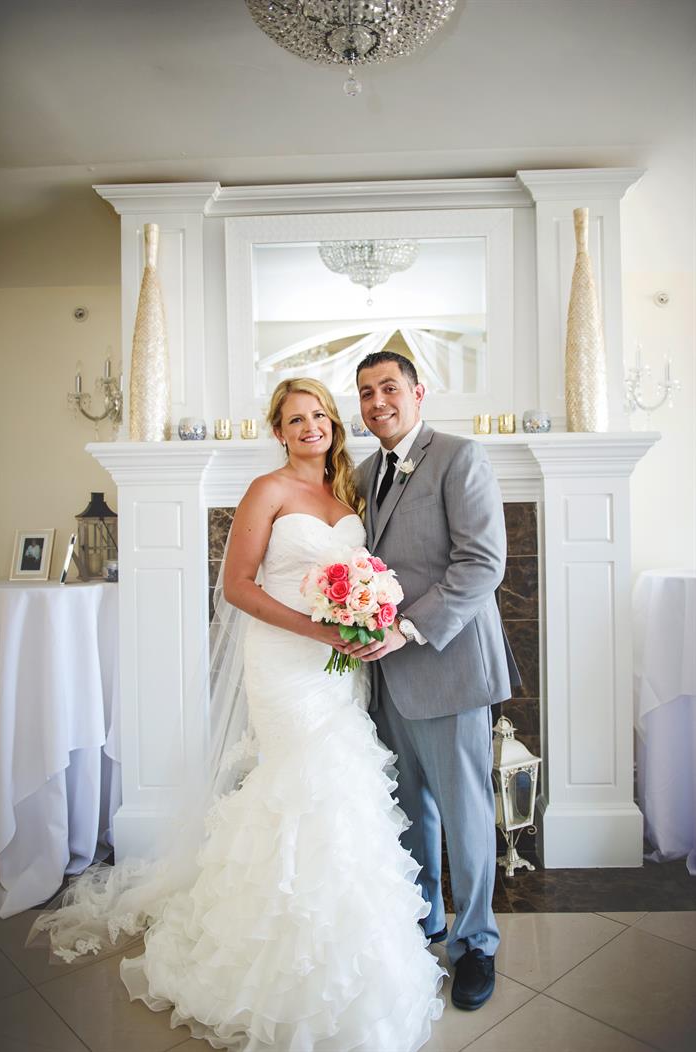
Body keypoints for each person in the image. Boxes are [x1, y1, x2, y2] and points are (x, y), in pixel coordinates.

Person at [33, 377, 443, 1052]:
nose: (309, 426)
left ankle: (344, 948)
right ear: (278, 431)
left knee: (344, 790)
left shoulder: (348, 495)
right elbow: (238, 587)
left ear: (333, 424)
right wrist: (322, 632)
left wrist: (363, 618)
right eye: (294, 418)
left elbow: (358, 579)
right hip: (286, 664)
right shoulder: (269, 490)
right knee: (303, 785)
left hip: (339, 668)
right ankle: (273, 963)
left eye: (318, 415)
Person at [348, 351, 520, 1012]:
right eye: (365, 393)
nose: (377, 402)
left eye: (388, 387)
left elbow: (483, 564)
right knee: (409, 812)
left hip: (446, 667)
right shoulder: (363, 475)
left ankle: (476, 943)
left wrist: (410, 629)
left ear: (419, 392)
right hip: (384, 677)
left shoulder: (459, 456)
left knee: (465, 815)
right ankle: (426, 925)